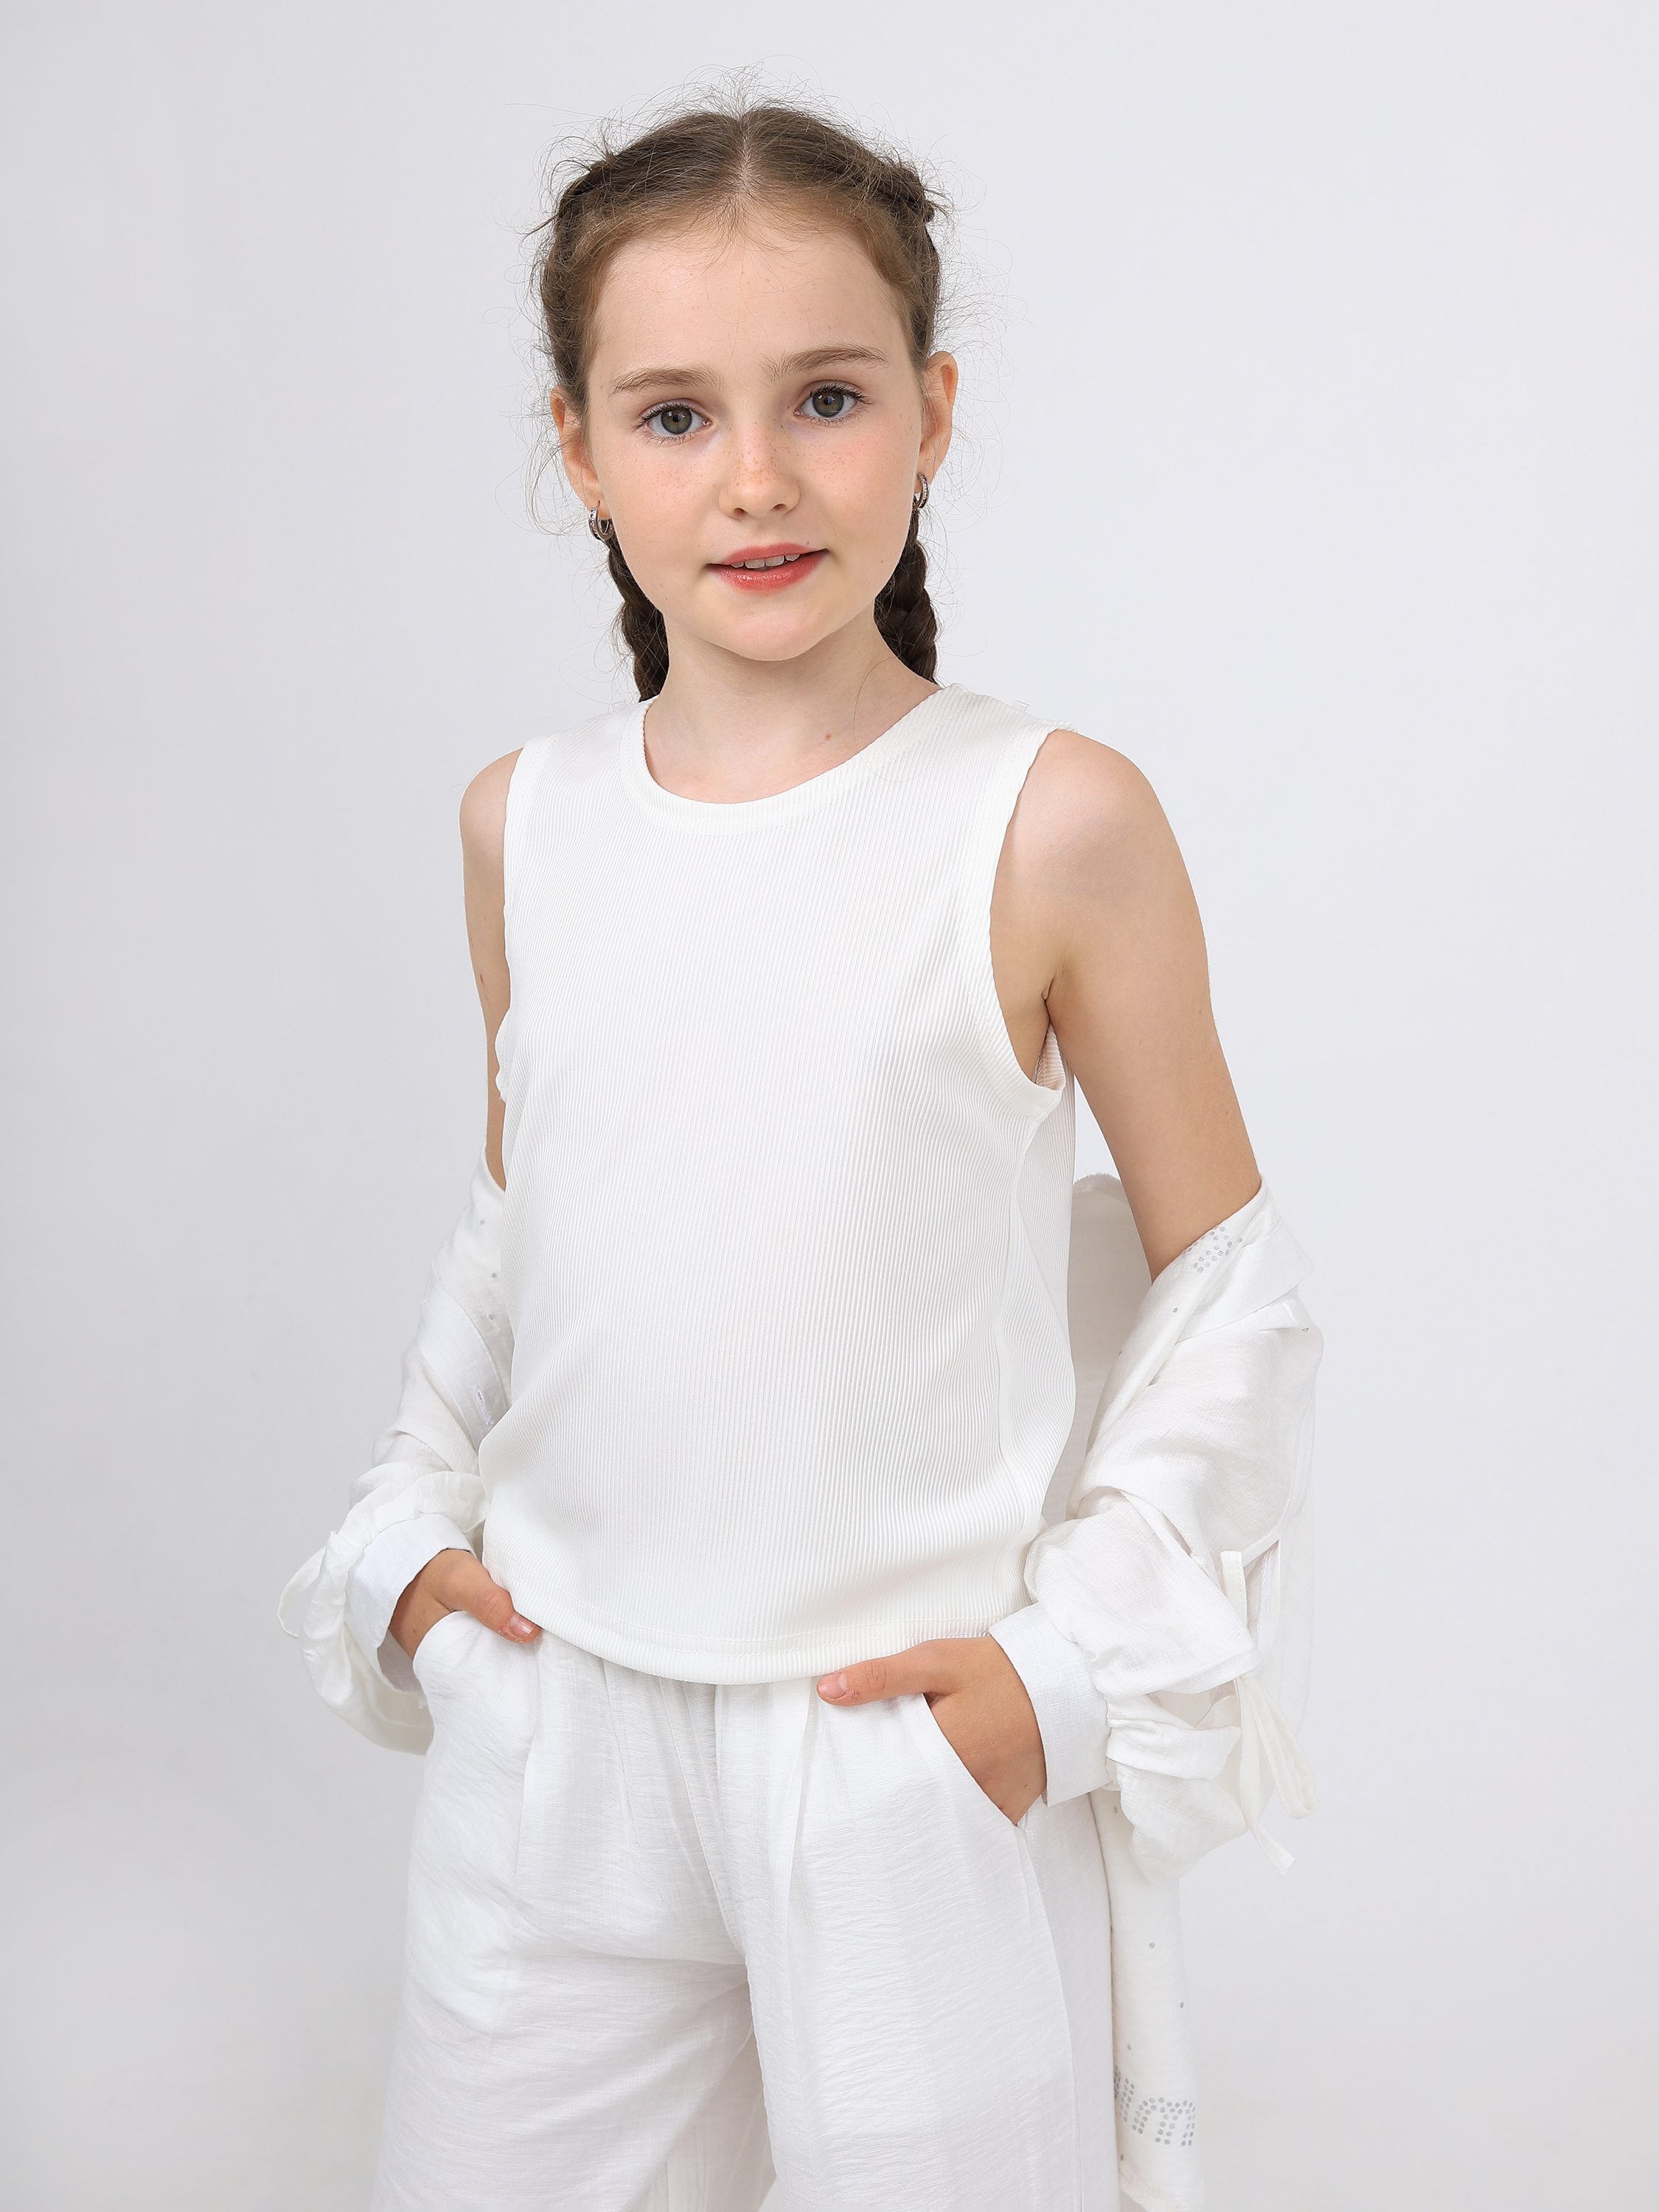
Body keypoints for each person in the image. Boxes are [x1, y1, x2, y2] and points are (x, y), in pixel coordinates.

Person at [280, 95, 1321, 2212]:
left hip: (888, 1745)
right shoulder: (523, 823)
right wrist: (410, 1541)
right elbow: (518, 1229)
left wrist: (1054, 1679)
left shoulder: (1048, 821)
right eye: (674, 415)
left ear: (931, 413)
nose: (754, 476)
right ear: (579, 451)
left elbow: (1230, 1291)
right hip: (557, 1725)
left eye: (825, 399)